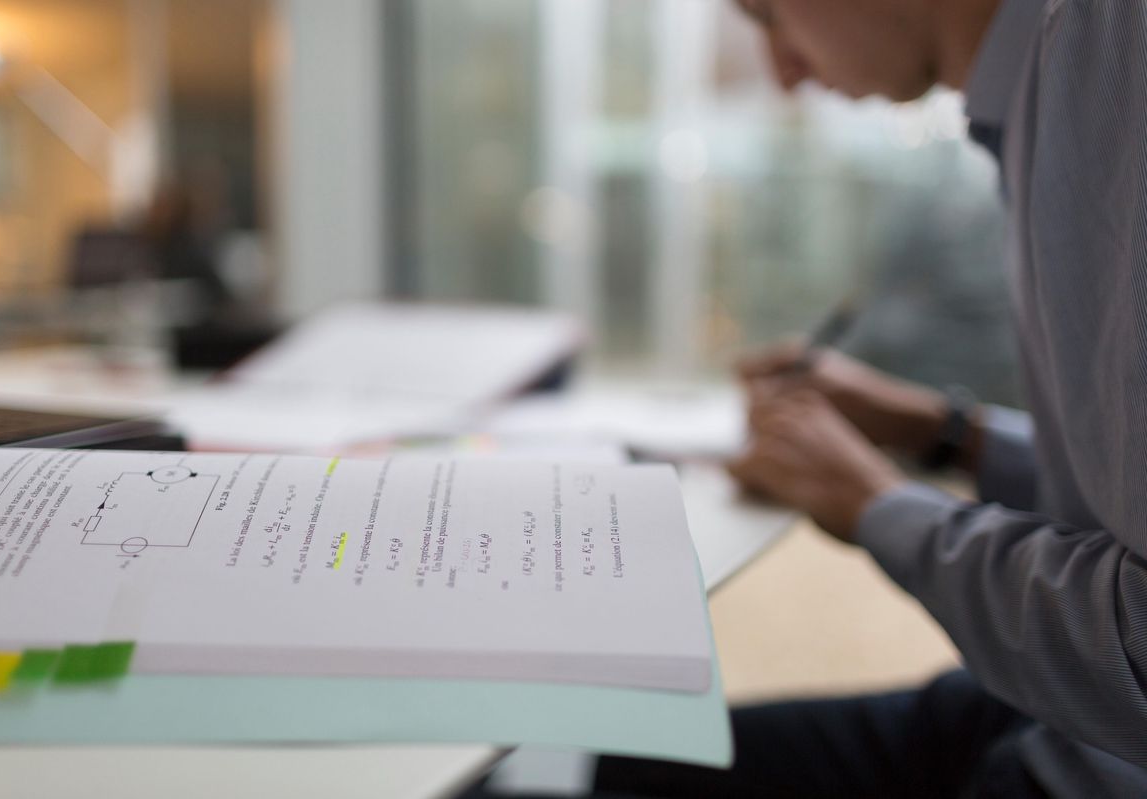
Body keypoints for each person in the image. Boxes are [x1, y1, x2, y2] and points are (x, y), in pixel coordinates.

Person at [463, 0, 1147, 796]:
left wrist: (875, 502)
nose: (783, 73)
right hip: (1044, 724)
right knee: (566, 765)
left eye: (767, 13)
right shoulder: (1052, 81)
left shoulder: (1111, 61)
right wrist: (942, 432)